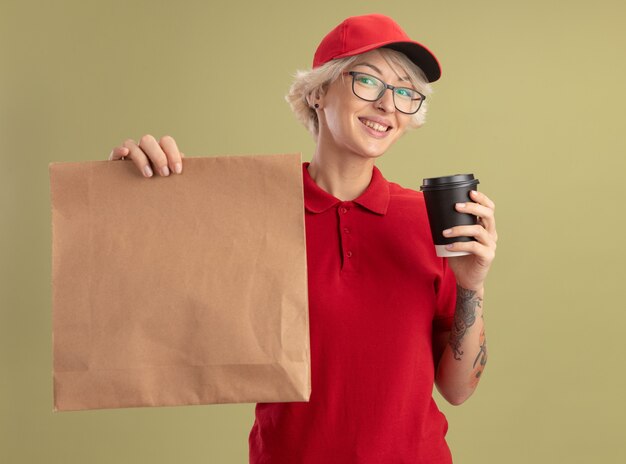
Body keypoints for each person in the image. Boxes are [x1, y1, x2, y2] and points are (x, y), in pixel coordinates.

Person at [108, 13, 498, 464]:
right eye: (369, 82)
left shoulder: (427, 219)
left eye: (406, 92)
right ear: (317, 92)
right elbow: (152, 295)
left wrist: (472, 285)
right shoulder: (256, 211)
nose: (389, 104)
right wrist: (125, 196)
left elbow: (457, 390)